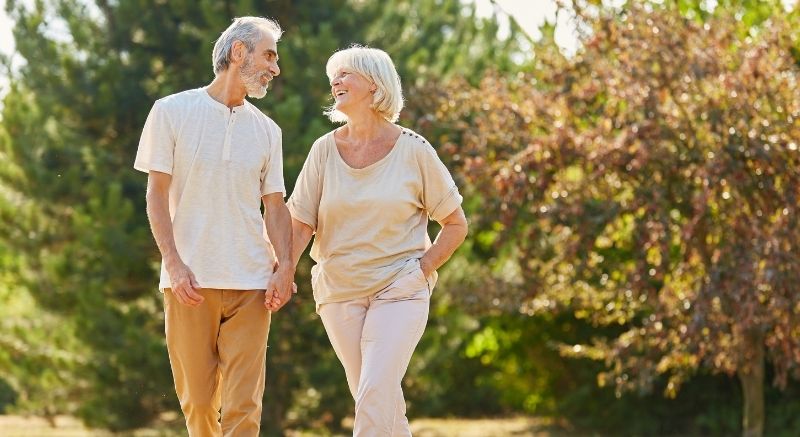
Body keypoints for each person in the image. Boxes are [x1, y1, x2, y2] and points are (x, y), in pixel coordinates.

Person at [278, 46, 468, 436]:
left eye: (346, 73)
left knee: (373, 393)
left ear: (375, 84)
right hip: (339, 293)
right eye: (334, 75)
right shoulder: (323, 151)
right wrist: (283, 272)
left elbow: (455, 223)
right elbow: (300, 224)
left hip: (399, 289)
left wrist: (421, 270)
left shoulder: (414, 150)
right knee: (381, 405)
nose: (336, 81)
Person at [133, 16, 294, 436]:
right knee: (199, 405)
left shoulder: (267, 131)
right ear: (238, 53)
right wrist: (174, 262)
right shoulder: (171, 111)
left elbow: (275, 208)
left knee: (244, 407)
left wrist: (285, 266)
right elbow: (155, 195)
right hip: (190, 284)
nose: (275, 68)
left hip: (252, 284)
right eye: (269, 55)